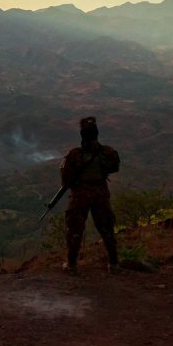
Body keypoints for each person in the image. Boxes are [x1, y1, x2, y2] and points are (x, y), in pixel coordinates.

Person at [60, 117, 120, 275]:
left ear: (82, 135)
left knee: (74, 229)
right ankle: (114, 263)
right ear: (97, 134)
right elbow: (115, 167)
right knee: (107, 228)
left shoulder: (74, 155)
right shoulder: (108, 152)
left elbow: (66, 179)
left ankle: (72, 265)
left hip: (80, 195)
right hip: (100, 193)